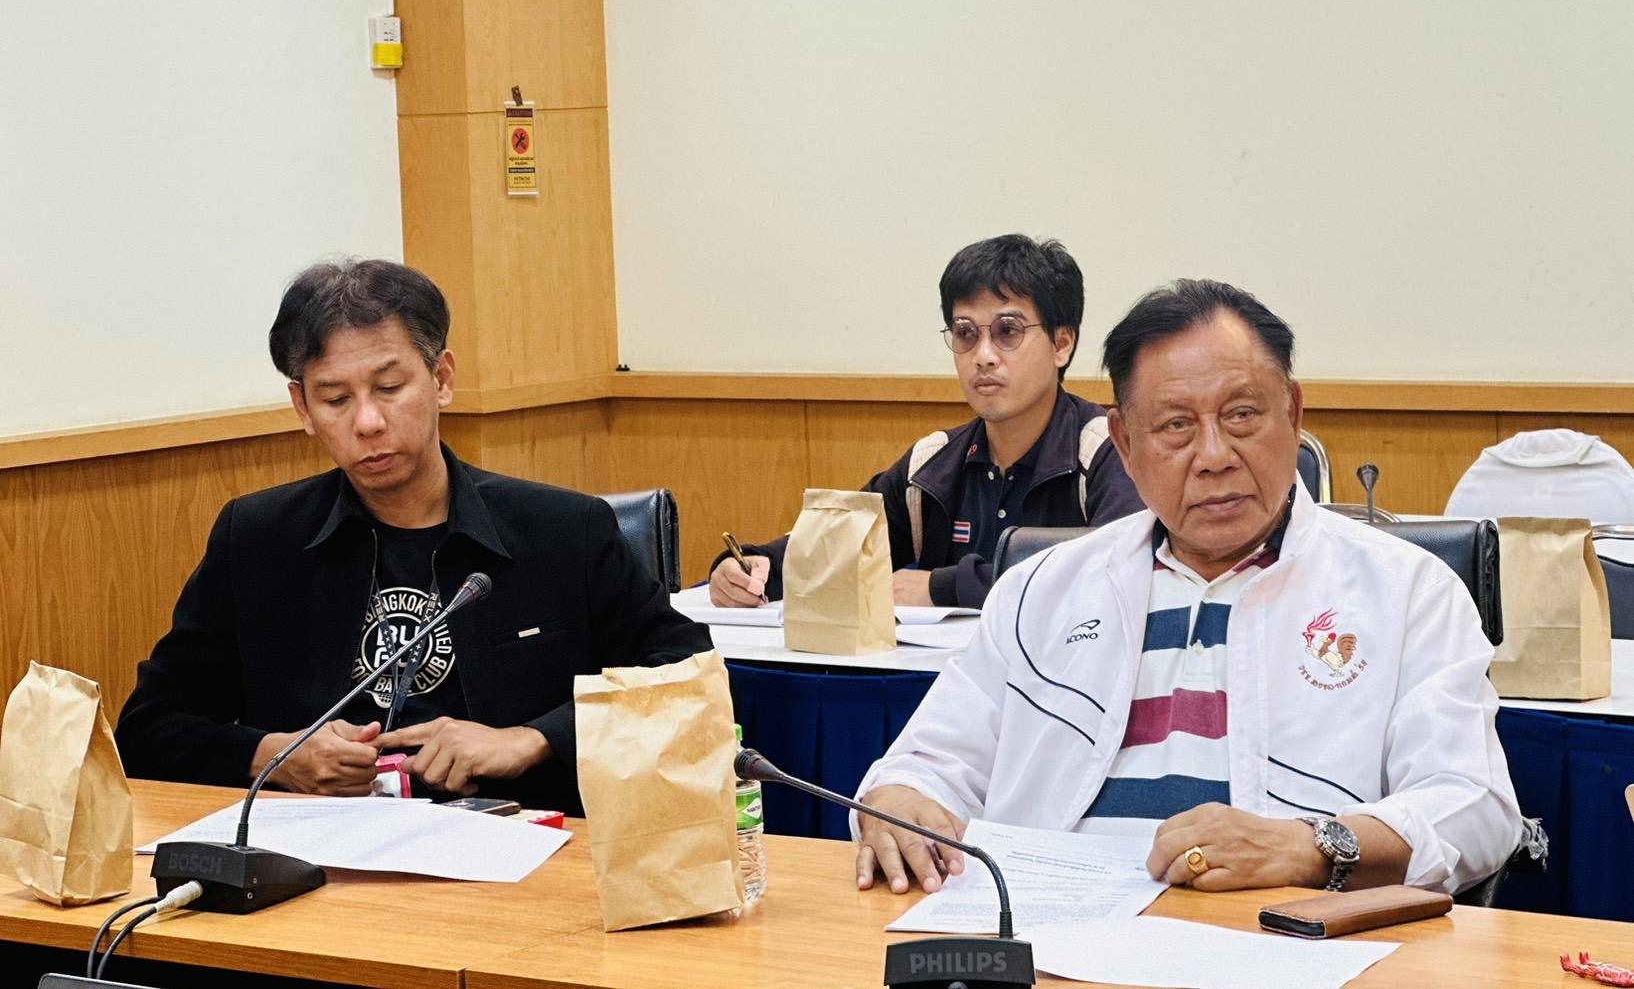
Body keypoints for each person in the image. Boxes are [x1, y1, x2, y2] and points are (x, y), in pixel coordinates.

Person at [851, 279, 1522, 897]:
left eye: (1241, 415)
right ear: (1124, 442)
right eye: (1175, 426)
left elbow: (1476, 807)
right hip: (1043, 926)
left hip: (1286, 938)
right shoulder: (1040, 589)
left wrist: (1309, 845)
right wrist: (900, 798)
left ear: (1292, 413)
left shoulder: (1407, 591)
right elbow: (927, 764)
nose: (1214, 456)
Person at [115, 259, 712, 811]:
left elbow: (690, 677)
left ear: (441, 379)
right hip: (316, 854)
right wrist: (274, 755)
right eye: (335, 399)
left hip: (522, 845)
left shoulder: (562, 530)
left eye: (389, 388)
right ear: (302, 408)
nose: (368, 422)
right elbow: (149, 728)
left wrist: (532, 739)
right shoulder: (257, 539)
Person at [709, 235, 1144, 609]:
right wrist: (754, 567)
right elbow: (835, 549)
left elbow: (1112, 568)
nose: (984, 355)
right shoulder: (932, 463)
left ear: (1061, 344)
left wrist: (941, 587)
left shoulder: (1107, 449)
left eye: (1007, 331)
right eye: (966, 333)